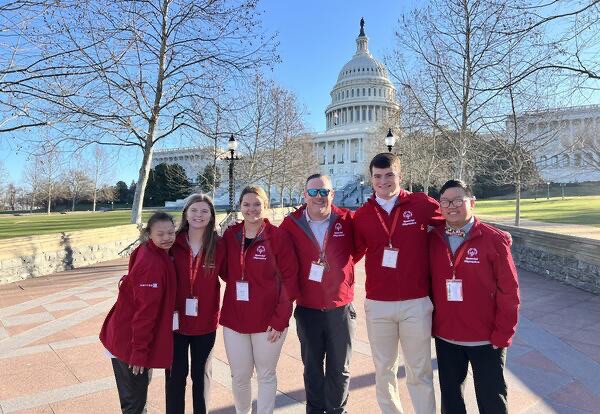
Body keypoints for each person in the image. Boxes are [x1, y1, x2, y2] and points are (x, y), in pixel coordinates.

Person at [354, 153, 443, 414]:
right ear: (371, 179)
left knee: (419, 370)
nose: (384, 181)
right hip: (379, 304)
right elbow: (347, 254)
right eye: (378, 176)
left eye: (389, 175)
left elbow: (454, 221)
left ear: (400, 176)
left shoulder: (421, 205)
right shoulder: (362, 216)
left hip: (416, 302)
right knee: (384, 370)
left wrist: (494, 236)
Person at [429, 179, 520, 414]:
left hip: (486, 339)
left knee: (492, 399)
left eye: (458, 200)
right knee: (451, 400)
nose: (452, 206)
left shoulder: (494, 239)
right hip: (447, 337)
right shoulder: (433, 239)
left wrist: (503, 334)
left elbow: (509, 291)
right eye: (446, 201)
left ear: (472, 203)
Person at [280, 174, 356, 414]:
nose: (319, 197)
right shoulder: (290, 224)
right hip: (308, 309)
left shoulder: (347, 220)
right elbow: (278, 258)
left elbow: (362, 249)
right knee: (312, 369)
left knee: (339, 369)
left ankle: (337, 411)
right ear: (305, 195)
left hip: (340, 309)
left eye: (324, 192)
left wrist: (341, 278)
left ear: (332, 195)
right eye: (313, 192)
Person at [220, 185, 299, 414]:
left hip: (269, 321)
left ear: (265, 206)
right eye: (246, 204)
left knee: (266, 375)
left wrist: (281, 318)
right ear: (240, 207)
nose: (252, 209)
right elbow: (225, 271)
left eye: (257, 204)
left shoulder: (278, 237)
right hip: (235, 319)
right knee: (240, 376)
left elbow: (290, 280)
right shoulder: (231, 235)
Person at [100, 212, 177, 414]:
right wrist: (139, 353)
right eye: (160, 233)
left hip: (127, 337)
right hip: (130, 342)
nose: (167, 237)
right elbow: (145, 314)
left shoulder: (149, 251)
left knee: (136, 399)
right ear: (149, 234)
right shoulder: (152, 264)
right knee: (134, 404)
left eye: (171, 232)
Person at [166, 194, 226, 414]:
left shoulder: (219, 244)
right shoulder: (173, 241)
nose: (198, 215)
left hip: (205, 321)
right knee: (175, 376)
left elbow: (234, 274)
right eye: (194, 210)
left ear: (211, 216)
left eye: (204, 211)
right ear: (186, 213)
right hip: (175, 322)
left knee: (201, 376)